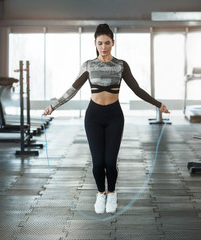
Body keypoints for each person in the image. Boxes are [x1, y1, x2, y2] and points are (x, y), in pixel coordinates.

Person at [43, 23, 170, 214]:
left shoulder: (120, 65)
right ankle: (100, 193)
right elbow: (73, 89)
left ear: (113, 43)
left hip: (114, 117)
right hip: (93, 117)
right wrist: (53, 106)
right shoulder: (89, 65)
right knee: (98, 163)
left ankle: (112, 193)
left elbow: (137, 89)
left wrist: (158, 104)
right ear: (95, 43)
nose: (103, 47)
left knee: (110, 162)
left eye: (107, 43)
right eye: (100, 43)